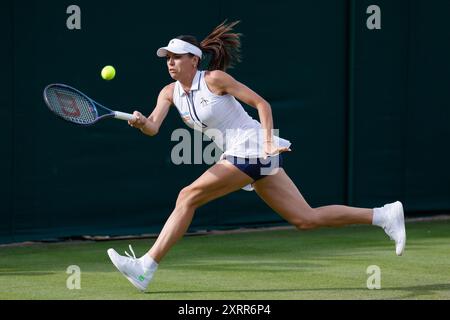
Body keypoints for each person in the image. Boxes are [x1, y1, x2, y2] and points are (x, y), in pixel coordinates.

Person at [107, 21, 406, 292]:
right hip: (239, 153)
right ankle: (383, 215)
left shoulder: (214, 79)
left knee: (188, 195)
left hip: (251, 146)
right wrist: (140, 122)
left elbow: (261, 104)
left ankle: (146, 267)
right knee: (306, 218)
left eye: (176, 57)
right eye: (167, 58)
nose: (170, 62)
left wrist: (266, 142)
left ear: (194, 59)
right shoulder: (169, 93)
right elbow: (153, 127)